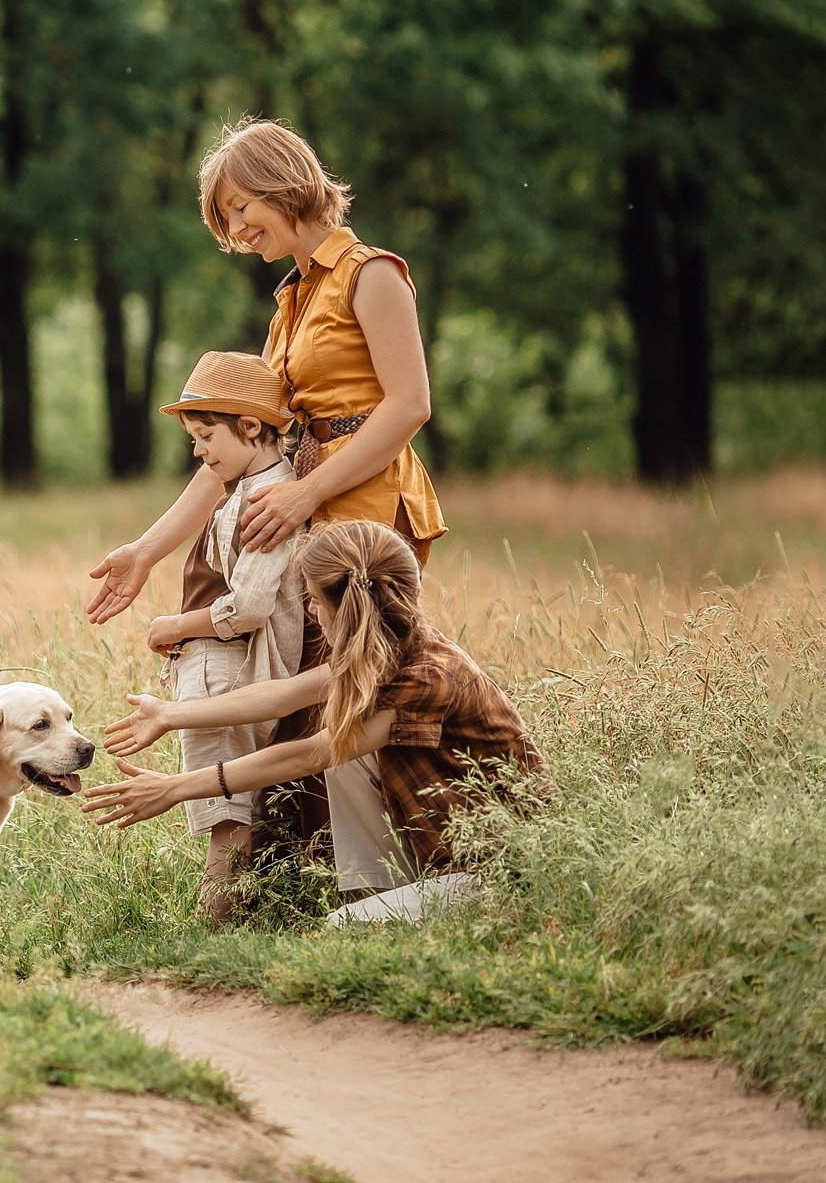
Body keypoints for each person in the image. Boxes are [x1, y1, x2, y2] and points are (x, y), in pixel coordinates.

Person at [85, 116, 448, 872]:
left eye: (240, 206)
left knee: (351, 690)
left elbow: (409, 405)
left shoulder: (371, 273)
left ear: (285, 182)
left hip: (367, 512)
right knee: (306, 695)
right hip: (308, 510)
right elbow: (235, 449)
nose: (235, 227)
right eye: (224, 217)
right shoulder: (290, 299)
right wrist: (148, 550)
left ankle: (385, 879)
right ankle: (310, 876)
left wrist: (304, 491)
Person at [85, 521, 550, 910]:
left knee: (338, 753)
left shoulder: (427, 677)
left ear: (345, 605)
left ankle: (381, 910)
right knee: (345, 746)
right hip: (446, 862)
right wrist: (170, 714)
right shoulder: (386, 650)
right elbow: (281, 696)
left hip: (499, 879)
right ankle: (377, 896)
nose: (309, 608)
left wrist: (174, 787)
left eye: (312, 598)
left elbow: (310, 755)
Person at [146, 351, 308, 923]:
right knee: (233, 806)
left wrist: (176, 626)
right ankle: (241, 919)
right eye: (194, 437)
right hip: (220, 663)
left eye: (206, 434)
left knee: (225, 812)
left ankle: (211, 929)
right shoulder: (246, 488)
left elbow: (250, 606)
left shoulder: (268, 498)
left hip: (229, 669)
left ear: (252, 427)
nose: (198, 451)